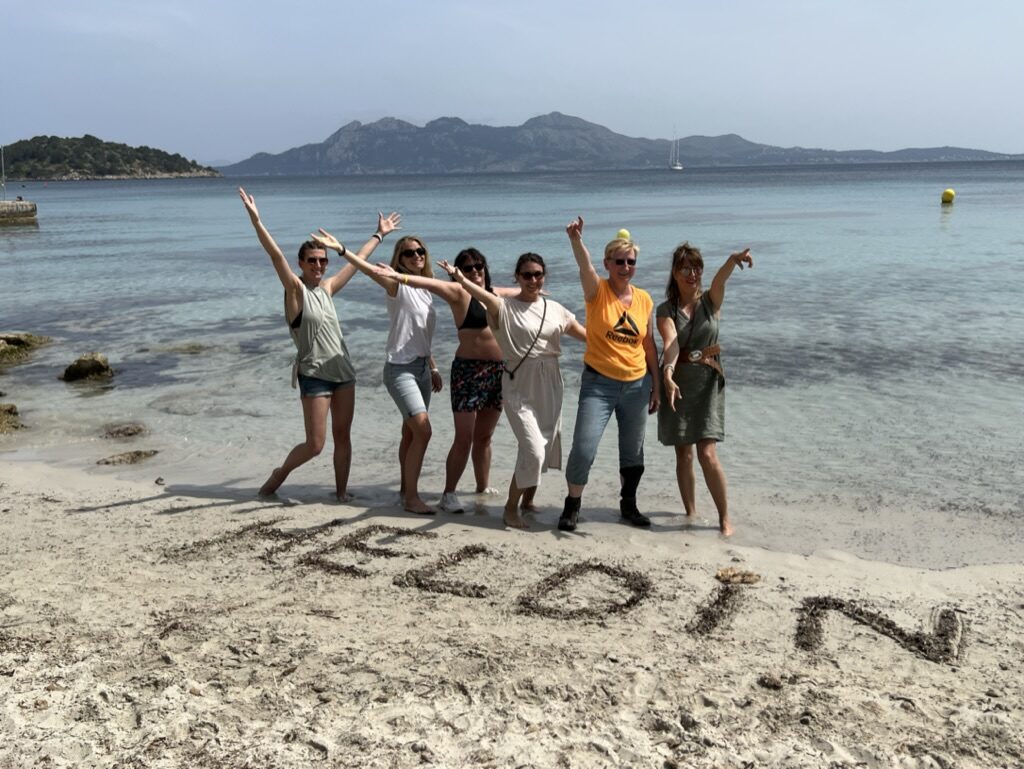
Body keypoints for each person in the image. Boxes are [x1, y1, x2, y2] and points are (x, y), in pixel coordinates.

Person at [238, 187, 399, 501]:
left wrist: (379, 235)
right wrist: (257, 221)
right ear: (301, 262)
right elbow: (275, 256)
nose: (319, 265)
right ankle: (279, 474)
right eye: (312, 260)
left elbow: (357, 263)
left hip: (343, 372)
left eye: (323, 260)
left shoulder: (326, 288)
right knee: (315, 444)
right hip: (314, 374)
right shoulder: (295, 290)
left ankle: (341, 494)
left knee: (343, 437)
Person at [372, 248, 519, 513]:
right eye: (468, 268)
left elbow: (524, 292)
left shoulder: (496, 294)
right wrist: (398, 277)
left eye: (479, 267)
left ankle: (482, 487)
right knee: (464, 437)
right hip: (468, 373)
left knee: (485, 437)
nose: (475, 272)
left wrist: (541, 294)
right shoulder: (459, 293)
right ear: (460, 273)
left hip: (498, 373)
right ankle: (449, 493)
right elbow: (429, 283)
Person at [449, 253, 586, 529]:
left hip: (551, 383)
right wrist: (462, 279)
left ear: (544, 275)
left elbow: (590, 338)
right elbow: (483, 296)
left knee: (544, 444)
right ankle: (510, 509)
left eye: (538, 274)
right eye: (527, 275)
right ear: (517, 277)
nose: (533, 279)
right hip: (518, 385)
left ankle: (527, 500)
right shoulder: (504, 307)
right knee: (533, 448)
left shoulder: (556, 309)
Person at [312, 228, 442, 514]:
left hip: (421, 369)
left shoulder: (427, 287)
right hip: (399, 370)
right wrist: (342, 250)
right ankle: (412, 498)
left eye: (420, 251)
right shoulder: (396, 285)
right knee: (423, 431)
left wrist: (433, 367)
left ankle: (405, 491)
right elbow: (367, 269)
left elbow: (420, 334)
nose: (417, 256)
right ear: (400, 259)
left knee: (410, 434)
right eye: (409, 253)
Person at [559, 218, 660, 532]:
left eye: (631, 262)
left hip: (637, 384)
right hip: (598, 384)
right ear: (607, 263)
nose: (625, 266)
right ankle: (573, 503)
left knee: (633, 450)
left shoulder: (644, 299)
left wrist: (656, 384)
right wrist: (576, 240)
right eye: (619, 261)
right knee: (584, 447)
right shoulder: (597, 290)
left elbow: (648, 343)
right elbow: (584, 266)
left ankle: (628, 505)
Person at [656, 242, 753, 537]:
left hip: (709, 382)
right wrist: (668, 374)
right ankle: (690, 513)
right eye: (685, 268)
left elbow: (719, 280)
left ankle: (724, 518)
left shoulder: (711, 302)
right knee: (683, 454)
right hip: (678, 384)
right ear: (675, 272)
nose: (692, 273)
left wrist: (731, 261)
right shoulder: (665, 309)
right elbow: (671, 344)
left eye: (696, 267)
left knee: (707, 453)